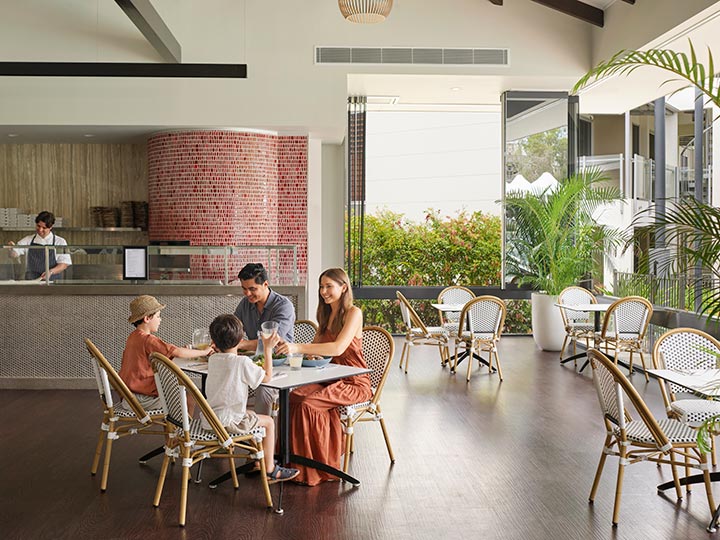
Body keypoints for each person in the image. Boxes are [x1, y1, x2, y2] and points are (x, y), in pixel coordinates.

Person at [276, 268, 371, 486]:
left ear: (343, 287)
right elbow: (317, 349)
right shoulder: (325, 315)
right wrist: (288, 348)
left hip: (353, 382)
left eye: (329, 286)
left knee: (309, 404)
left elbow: (337, 348)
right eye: (321, 286)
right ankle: (289, 464)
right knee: (292, 398)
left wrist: (297, 346)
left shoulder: (353, 313)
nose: (324, 291)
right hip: (328, 377)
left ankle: (317, 468)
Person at [205, 314, 299, 483]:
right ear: (241, 339)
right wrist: (268, 349)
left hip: (212, 420)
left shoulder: (213, 360)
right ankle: (270, 469)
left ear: (214, 340)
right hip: (230, 423)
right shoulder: (241, 362)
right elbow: (267, 377)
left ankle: (257, 458)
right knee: (269, 422)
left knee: (249, 413)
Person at [119, 295, 212, 412]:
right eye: (158, 316)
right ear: (147, 318)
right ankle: (183, 430)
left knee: (176, 390)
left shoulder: (134, 336)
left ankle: (174, 427)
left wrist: (182, 350)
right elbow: (177, 352)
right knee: (189, 397)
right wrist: (205, 351)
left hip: (129, 395)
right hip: (141, 399)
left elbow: (169, 352)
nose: (160, 320)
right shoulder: (148, 340)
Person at [233, 262, 295, 416]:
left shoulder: (283, 306)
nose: (247, 294)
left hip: (282, 365)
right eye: (244, 289)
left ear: (265, 284)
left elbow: (271, 342)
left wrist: (242, 344)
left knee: (263, 390)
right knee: (226, 379)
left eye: (252, 289)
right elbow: (234, 330)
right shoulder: (245, 304)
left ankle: (260, 435)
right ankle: (232, 432)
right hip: (256, 363)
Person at [9, 211, 71, 280]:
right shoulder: (28, 240)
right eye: (38, 226)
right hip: (31, 282)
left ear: (50, 227)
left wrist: (50, 272)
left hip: (52, 282)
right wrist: (12, 249)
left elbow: (64, 264)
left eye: (44, 228)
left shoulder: (60, 242)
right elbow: (14, 254)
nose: (40, 230)